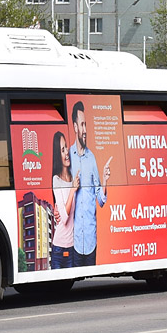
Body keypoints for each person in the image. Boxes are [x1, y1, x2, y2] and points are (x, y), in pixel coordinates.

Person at [70, 101, 111, 266]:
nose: (85, 130)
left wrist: (105, 180)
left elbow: (100, 201)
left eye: (86, 124)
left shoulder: (92, 158)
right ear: (75, 127)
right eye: (82, 125)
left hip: (91, 240)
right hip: (74, 242)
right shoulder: (68, 158)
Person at [50, 132, 76, 269]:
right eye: (62, 150)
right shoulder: (56, 180)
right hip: (58, 248)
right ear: (58, 156)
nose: (66, 153)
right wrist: (72, 190)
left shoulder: (74, 176)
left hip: (72, 248)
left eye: (66, 147)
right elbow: (64, 218)